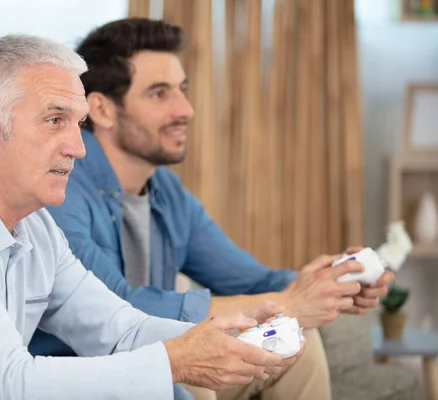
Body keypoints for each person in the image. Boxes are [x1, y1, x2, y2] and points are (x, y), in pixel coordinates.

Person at [0, 34, 294, 400]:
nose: (77, 148)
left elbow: (119, 329)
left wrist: (222, 337)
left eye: (78, 124)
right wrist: (177, 361)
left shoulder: (34, 226)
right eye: (55, 120)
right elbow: (5, 386)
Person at [28, 18, 395, 400]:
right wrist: (288, 302)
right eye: (159, 93)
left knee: (295, 342)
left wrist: (330, 283)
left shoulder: (165, 191)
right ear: (101, 109)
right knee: (193, 371)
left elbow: (249, 281)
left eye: (181, 90)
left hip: (156, 359)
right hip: (85, 377)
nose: (185, 109)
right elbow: (118, 310)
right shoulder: (62, 188)